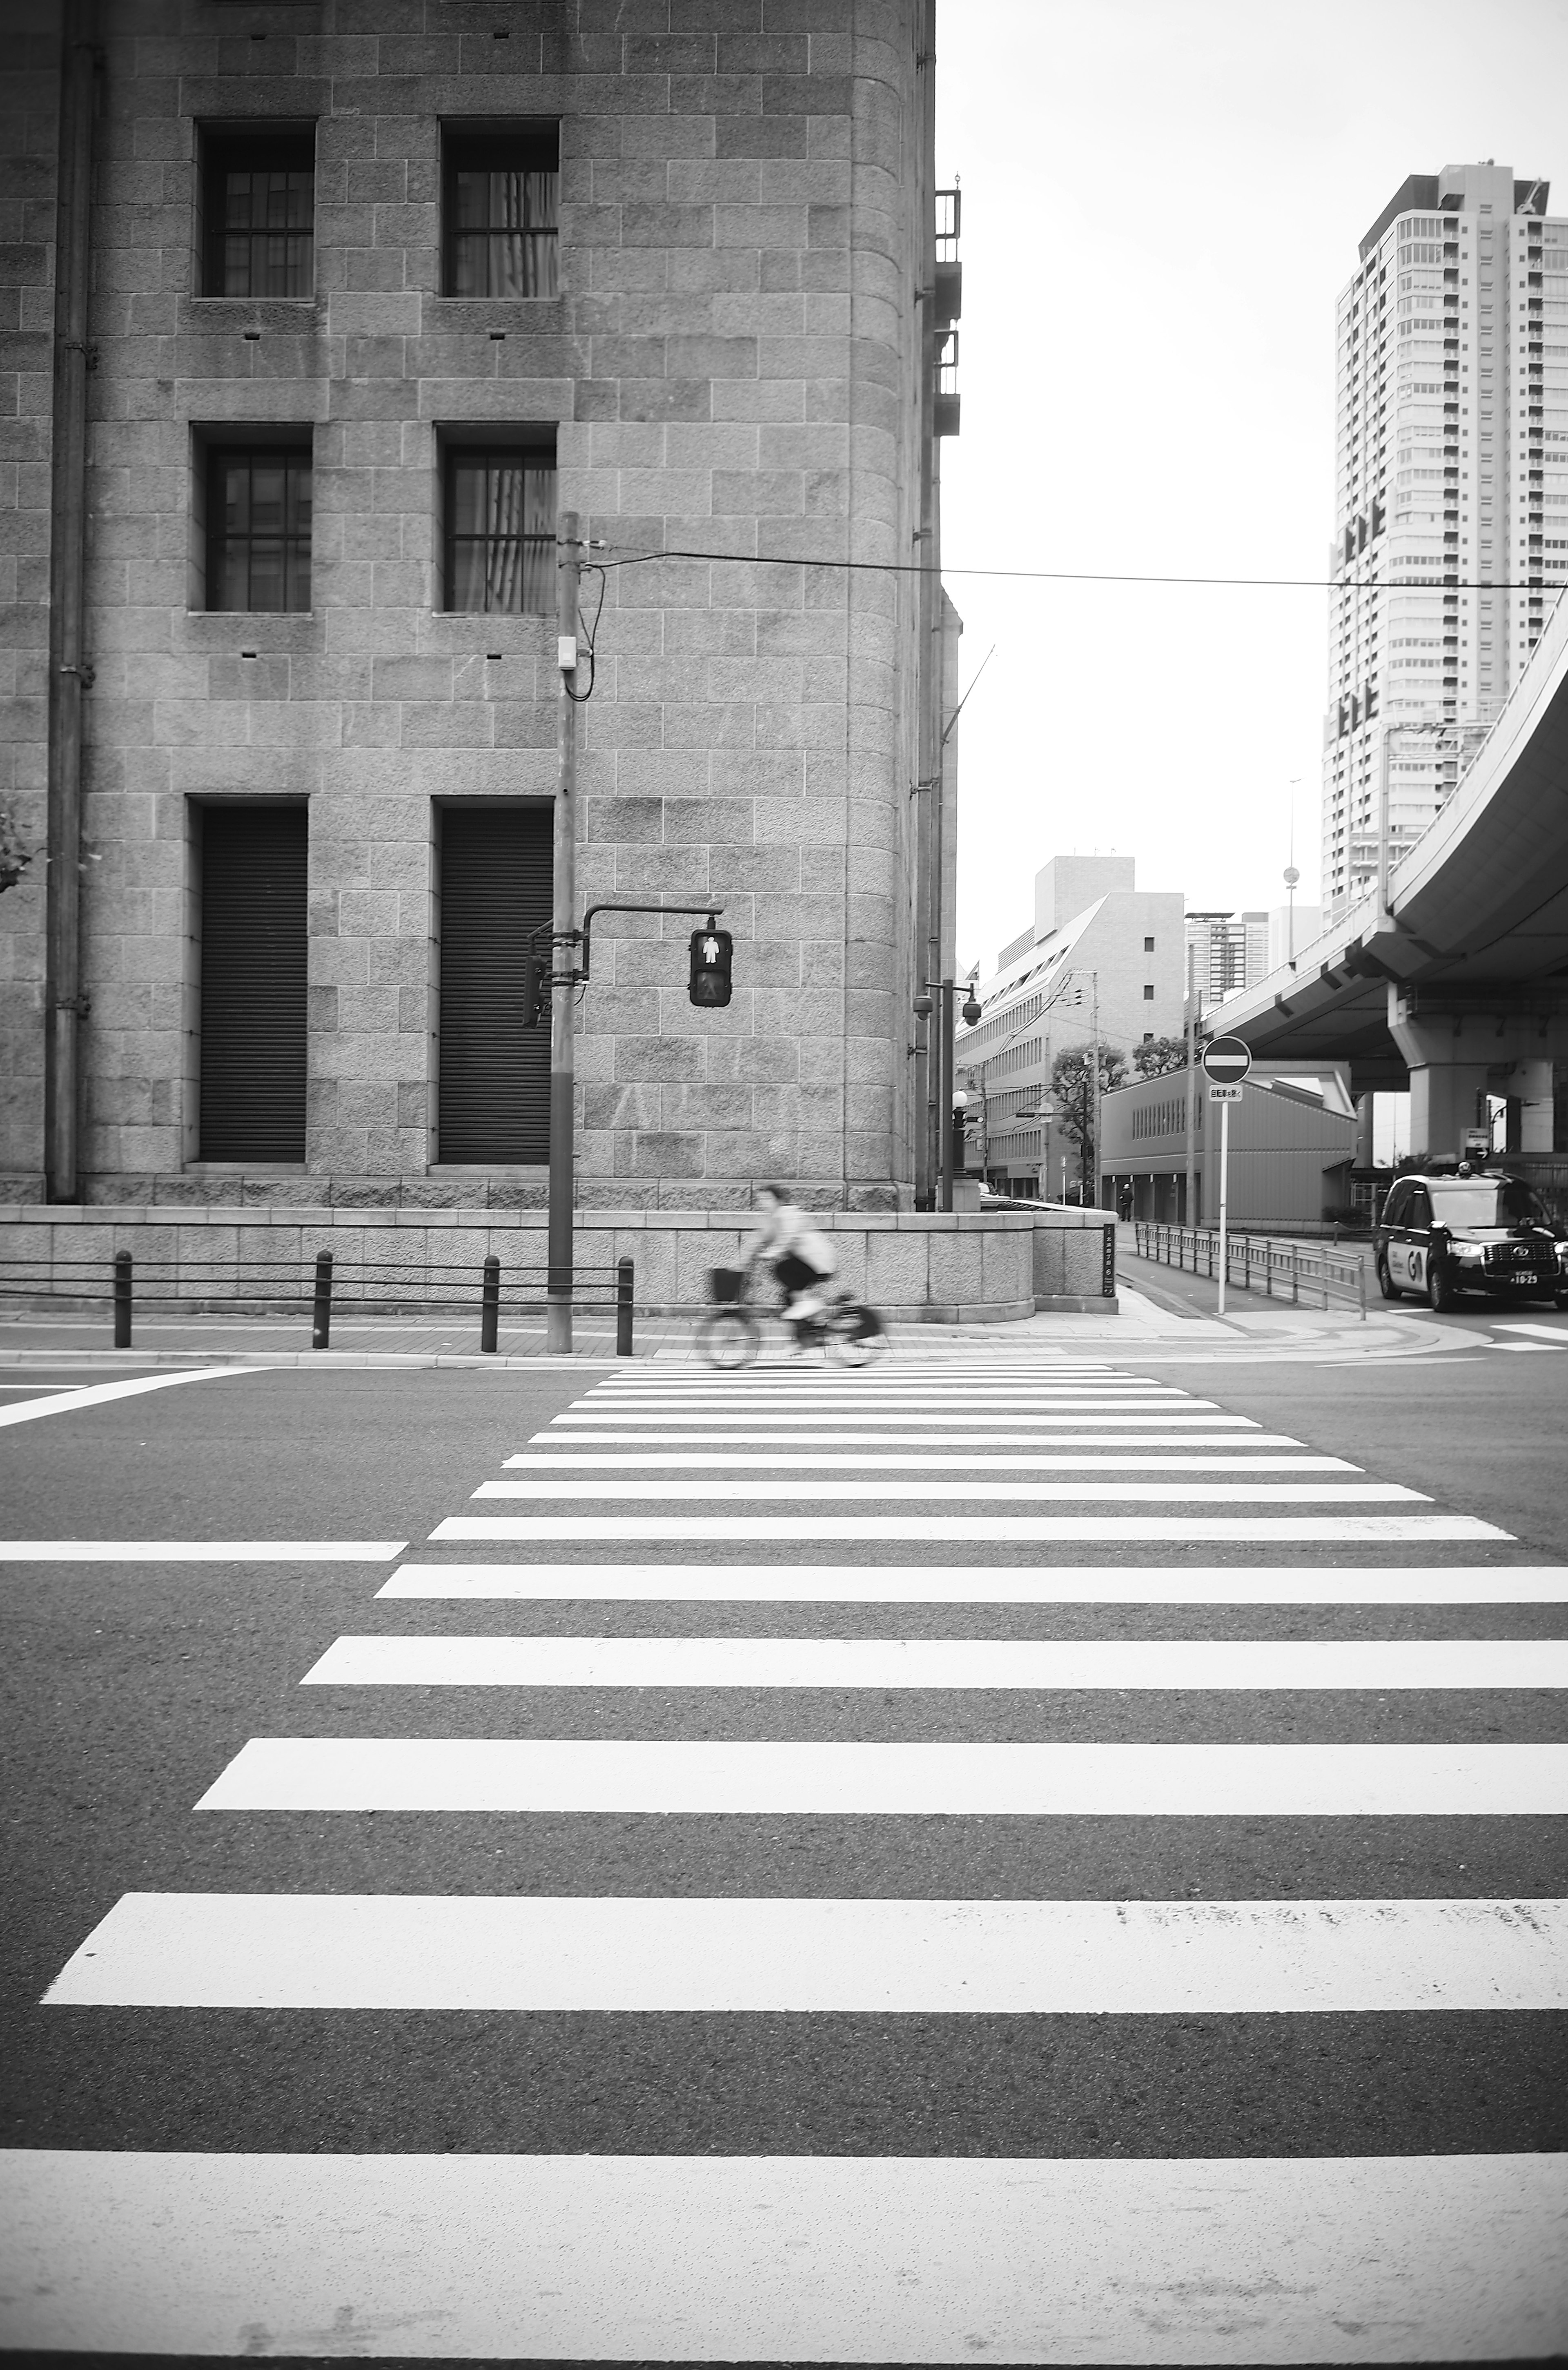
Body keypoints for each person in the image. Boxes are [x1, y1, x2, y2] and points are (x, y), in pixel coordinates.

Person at [741, 1185, 838, 1334]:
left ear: (778, 1200)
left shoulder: (789, 1213)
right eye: (761, 1199)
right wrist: (742, 1265)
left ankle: (811, 1305)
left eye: (768, 1199)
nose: (763, 1203)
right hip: (807, 1263)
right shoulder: (773, 1220)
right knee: (788, 1298)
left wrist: (771, 1254)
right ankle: (810, 1332)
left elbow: (789, 1238)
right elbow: (758, 1242)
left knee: (782, 1269)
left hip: (818, 1261)